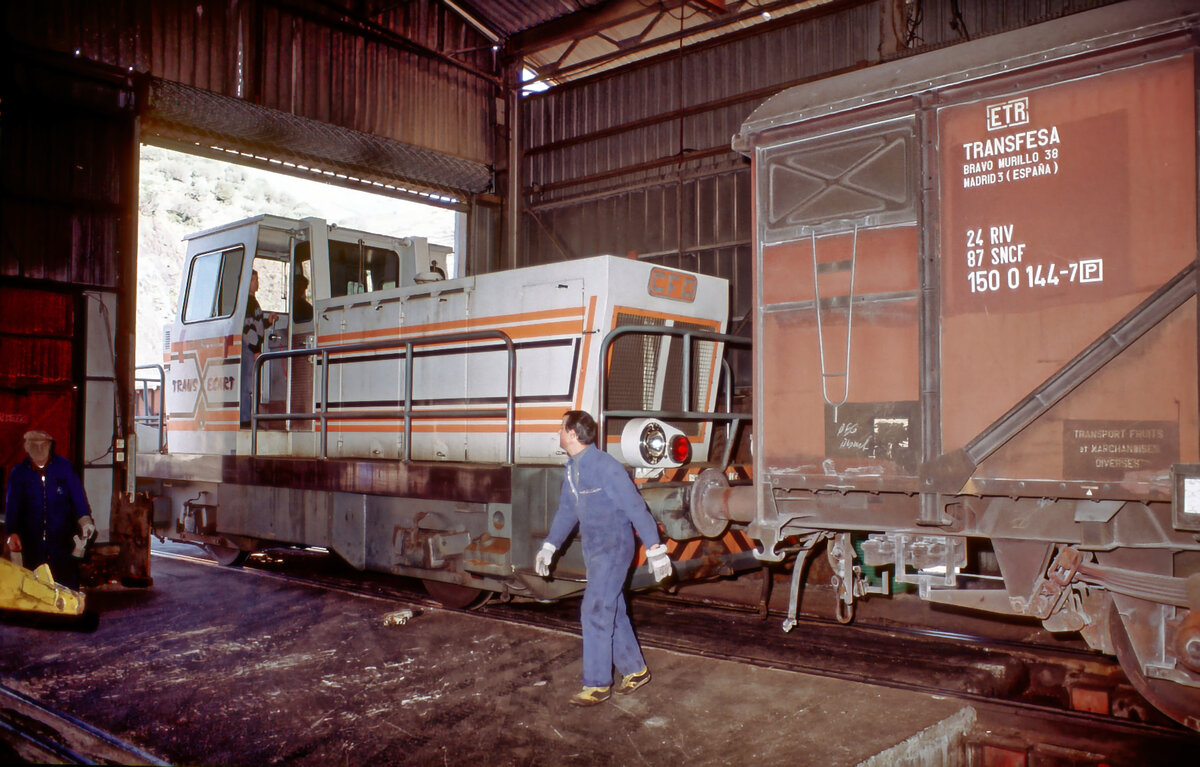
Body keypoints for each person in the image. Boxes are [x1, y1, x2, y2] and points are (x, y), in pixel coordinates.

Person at [535, 410, 672, 706]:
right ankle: (635, 670)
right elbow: (567, 511)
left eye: (561, 427)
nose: (558, 432)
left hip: (614, 546)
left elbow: (637, 508)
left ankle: (597, 684)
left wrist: (655, 549)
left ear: (572, 434)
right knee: (613, 609)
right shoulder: (573, 468)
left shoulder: (606, 467)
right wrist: (550, 546)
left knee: (595, 610)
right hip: (594, 548)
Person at [4, 430, 94, 589]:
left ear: (50, 446)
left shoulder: (65, 468)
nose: (39, 449)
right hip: (31, 539)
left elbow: (78, 498)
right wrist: (11, 532)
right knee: (34, 586)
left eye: (42, 445)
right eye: (34, 445)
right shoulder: (18, 473)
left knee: (66, 584)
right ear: (26, 447)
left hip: (62, 538)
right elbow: (12, 505)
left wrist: (85, 521)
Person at [241, 269, 275, 425]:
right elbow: (246, 329)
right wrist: (255, 349)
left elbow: (256, 326)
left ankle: (250, 417)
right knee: (248, 385)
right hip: (249, 349)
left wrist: (267, 322)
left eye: (256, 279)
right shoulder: (247, 303)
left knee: (251, 384)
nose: (256, 283)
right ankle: (246, 420)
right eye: (253, 280)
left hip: (252, 348)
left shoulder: (253, 302)